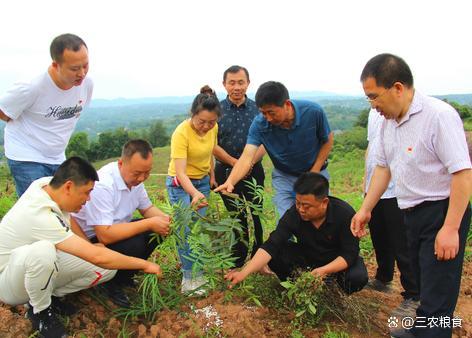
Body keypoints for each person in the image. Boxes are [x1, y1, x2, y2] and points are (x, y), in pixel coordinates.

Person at [351, 54, 471, 338]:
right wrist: (366, 208)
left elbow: (463, 174)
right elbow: (383, 168)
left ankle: (431, 330)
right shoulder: (385, 122)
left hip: (441, 212)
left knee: (437, 295)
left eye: (374, 97)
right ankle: (424, 328)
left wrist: (451, 228)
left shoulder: (438, 116)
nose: (373, 105)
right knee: (423, 286)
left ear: (397, 88)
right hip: (411, 213)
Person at [0, 157, 162, 338]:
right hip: (8, 280)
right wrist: (144, 265)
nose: (88, 199)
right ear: (69, 186)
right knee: (43, 252)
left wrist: (87, 244)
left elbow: (72, 220)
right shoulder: (39, 213)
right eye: (86, 192)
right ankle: (40, 312)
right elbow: (97, 256)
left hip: (29, 267)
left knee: (107, 269)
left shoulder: (48, 186)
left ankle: (48, 296)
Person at [226, 172, 368, 295]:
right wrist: (243, 273)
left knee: (357, 277)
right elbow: (272, 244)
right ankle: (297, 288)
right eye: (298, 203)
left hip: (335, 261)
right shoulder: (294, 214)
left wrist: (323, 271)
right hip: (308, 257)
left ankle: (334, 294)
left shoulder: (344, 214)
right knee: (276, 253)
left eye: (306, 206)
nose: (301, 209)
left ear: (324, 202)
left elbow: (349, 254)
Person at [215, 81, 334, 220]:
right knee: (285, 220)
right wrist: (230, 181)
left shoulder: (313, 112)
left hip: (316, 172)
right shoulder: (260, 124)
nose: (268, 118)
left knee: (319, 216)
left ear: (287, 104)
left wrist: (315, 171)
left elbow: (328, 139)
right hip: (284, 175)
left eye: (271, 112)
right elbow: (247, 157)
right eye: (263, 113)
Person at [73, 139, 171, 307]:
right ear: (121, 164)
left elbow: (147, 208)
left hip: (116, 230)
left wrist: (167, 222)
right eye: (137, 173)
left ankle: (124, 277)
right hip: (91, 242)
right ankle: (110, 284)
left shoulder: (135, 181)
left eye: (147, 173)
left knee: (158, 231)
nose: (142, 178)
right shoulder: (103, 184)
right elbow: (105, 235)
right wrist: (149, 223)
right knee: (137, 242)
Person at [0, 33, 93, 197]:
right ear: (56, 65)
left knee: (62, 205)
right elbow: (4, 111)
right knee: (37, 206)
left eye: (85, 65)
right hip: (26, 155)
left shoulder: (86, 85)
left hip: (57, 156)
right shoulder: (31, 87)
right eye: (74, 68)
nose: (82, 73)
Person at [364, 108, 419, 318]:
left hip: (397, 189)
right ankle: (383, 277)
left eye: (374, 95)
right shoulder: (374, 113)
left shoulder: (409, 114)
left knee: (401, 242)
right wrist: (366, 181)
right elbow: (371, 147)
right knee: (379, 236)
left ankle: (414, 294)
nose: (373, 101)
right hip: (375, 187)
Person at [166, 86, 220, 293]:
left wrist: (211, 175)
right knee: (185, 230)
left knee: (198, 229)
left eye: (211, 122)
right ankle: (189, 279)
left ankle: (197, 271)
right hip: (180, 185)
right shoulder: (181, 133)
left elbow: (209, 154)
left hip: (202, 182)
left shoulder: (213, 128)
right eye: (201, 121)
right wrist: (194, 193)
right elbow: (180, 172)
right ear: (193, 114)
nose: (206, 126)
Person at [213, 65, 266, 268]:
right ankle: (238, 256)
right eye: (232, 82)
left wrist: (249, 162)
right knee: (236, 216)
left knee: (256, 213)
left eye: (240, 82)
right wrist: (235, 163)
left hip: (255, 170)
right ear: (224, 84)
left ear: (248, 83)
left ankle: (259, 257)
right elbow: (211, 143)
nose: (236, 87)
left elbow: (265, 141)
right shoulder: (215, 111)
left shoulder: (258, 109)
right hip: (224, 171)